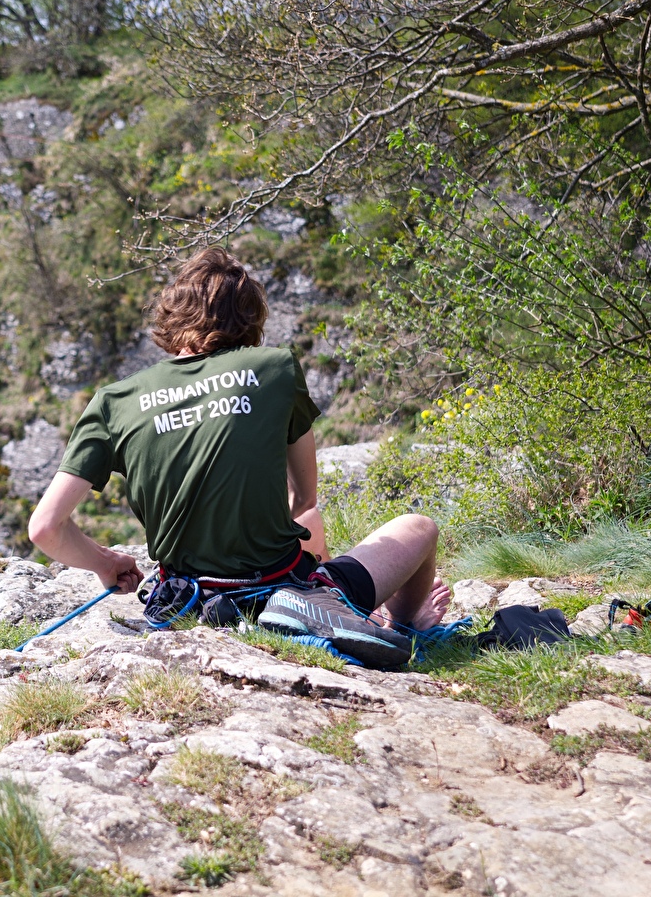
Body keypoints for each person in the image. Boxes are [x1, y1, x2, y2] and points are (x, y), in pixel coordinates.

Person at [28, 248, 450, 652]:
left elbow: (45, 528)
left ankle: (320, 608)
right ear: (250, 319)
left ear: (172, 316)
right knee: (418, 528)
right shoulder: (275, 368)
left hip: (187, 601)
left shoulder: (113, 401)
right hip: (278, 584)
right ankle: (398, 623)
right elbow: (303, 500)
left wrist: (106, 562)